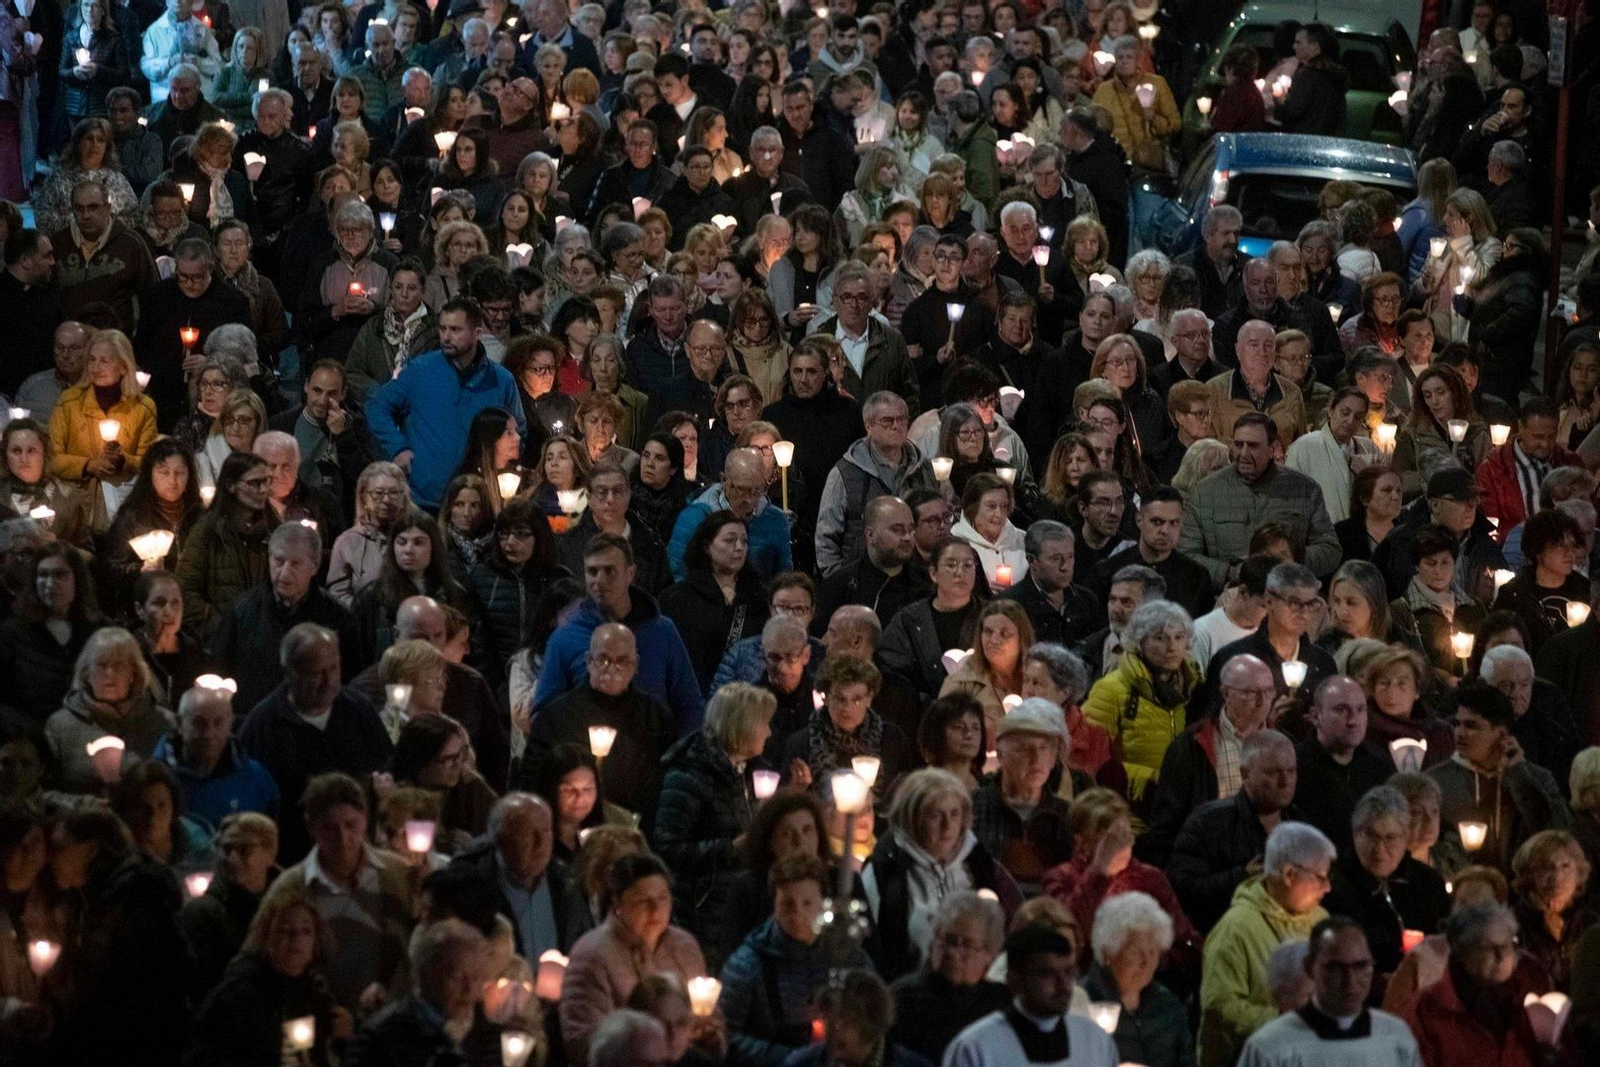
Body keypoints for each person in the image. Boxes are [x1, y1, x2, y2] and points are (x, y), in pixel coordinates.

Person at [46, 805, 192, 1066]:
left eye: (59, 847)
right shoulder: (98, 895)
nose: (50, 857)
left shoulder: (140, 896)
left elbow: (134, 989)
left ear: (90, 850)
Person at [237, 624, 393, 858]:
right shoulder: (262, 727)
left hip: (360, 852)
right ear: (290, 673)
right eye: (316, 673)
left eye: (334, 668)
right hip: (293, 857)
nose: (329, 681)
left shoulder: (358, 710)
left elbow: (386, 767)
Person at [862, 767, 1022, 980]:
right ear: (912, 819)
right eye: (935, 815)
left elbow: (1006, 930)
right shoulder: (885, 871)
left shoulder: (979, 864)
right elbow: (869, 949)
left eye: (954, 814)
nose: (948, 826)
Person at [1197, 821, 1335, 1067]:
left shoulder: (1320, 920)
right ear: (1289, 874)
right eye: (1320, 878)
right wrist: (1287, 1021)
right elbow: (1219, 1008)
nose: (1328, 888)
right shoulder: (1236, 929)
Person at [367, 298, 526, 508]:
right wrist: (398, 447)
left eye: (455, 330)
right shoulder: (420, 370)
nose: (446, 337)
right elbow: (377, 407)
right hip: (422, 500)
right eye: (442, 329)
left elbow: (519, 431)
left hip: (477, 501)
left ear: (476, 333)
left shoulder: (501, 380)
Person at [719, 852, 872, 1066]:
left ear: (823, 903)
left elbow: (872, 1021)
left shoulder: (848, 956)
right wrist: (791, 1058)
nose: (797, 913)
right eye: (787, 904)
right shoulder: (748, 963)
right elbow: (725, 1035)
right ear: (774, 904)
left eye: (807, 903)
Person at [560, 852, 707, 1064]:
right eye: (643, 901)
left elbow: (706, 1015)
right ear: (618, 903)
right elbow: (583, 1040)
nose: (655, 909)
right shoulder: (593, 954)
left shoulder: (683, 946)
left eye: (663, 898)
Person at [184, 882, 345, 1066]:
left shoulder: (314, 995)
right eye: (285, 931)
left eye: (306, 931)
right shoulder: (240, 994)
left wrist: (342, 1037)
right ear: (268, 936)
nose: (297, 939)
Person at [209, 522, 360, 717]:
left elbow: (350, 684)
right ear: (269, 559)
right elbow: (218, 668)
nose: (285, 572)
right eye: (279, 561)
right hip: (252, 722)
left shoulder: (338, 619)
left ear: (314, 566)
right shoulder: (242, 610)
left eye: (295, 563)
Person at [1180, 414, 1339, 589]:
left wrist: (1287, 559)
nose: (1243, 453)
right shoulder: (1205, 492)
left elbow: (1330, 550)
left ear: (1272, 449)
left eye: (1253, 446)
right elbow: (1186, 554)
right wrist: (1229, 572)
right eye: (1238, 445)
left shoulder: (1305, 489)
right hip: (1229, 595)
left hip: (1288, 594)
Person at [1238, 917, 1422, 1066]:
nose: (1350, 981)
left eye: (1360, 966)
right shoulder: (1270, 1047)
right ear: (1310, 968)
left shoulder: (1395, 1036)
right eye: (1335, 968)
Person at [1428, 679, 1570, 873]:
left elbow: (1556, 833)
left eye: (1471, 726)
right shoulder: (1437, 781)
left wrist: (1518, 775)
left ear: (1501, 733)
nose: (1459, 732)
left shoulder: (1538, 777)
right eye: (1457, 724)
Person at [1148, 653, 1275, 857]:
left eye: (1269, 691)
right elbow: (1166, 827)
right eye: (1251, 693)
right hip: (1212, 859)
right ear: (1226, 693)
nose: (1263, 701)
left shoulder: (1283, 744)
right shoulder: (1191, 746)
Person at [942, 924, 1120, 1067]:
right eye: (1046, 974)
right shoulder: (976, 1047)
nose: (1063, 984)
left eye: (1068, 972)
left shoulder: (1095, 1041)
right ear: (1014, 981)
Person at [446, 792, 595, 962]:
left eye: (546, 830)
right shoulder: (470, 890)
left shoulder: (567, 883)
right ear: (499, 839)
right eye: (527, 834)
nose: (541, 843)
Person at [1082, 599, 1200, 812]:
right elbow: (1090, 758)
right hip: (1128, 812)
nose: (1172, 647)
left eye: (1179, 637)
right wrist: (1152, 782)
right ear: (1139, 642)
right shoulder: (1111, 690)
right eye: (1160, 638)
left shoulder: (1195, 688)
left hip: (1181, 812)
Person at [1323, 786, 1452, 979]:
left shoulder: (1428, 882)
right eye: (1371, 836)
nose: (1379, 849)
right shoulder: (1334, 885)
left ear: (1405, 837)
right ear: (1355, 833)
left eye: (1390, 838)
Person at [1407, 903, 1558, 1067]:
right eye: (1487, 947)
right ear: (1462, 951)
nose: (1500, 956)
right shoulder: (1430, 1010)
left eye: (1506, 944)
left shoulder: (1530, 988)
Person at [815, 390, 935, 577]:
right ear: (868, 426)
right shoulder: (845, 473)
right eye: (887, 421)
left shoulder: (924, 468)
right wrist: (839, 582)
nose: (896, 426)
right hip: (861, 579)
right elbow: (826, 538)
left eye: (902, 419)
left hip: (915, 577)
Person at [45, 626, 175, 795]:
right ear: (87, 673)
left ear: (134, 673)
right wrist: (82, 805)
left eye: (118, 665)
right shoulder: (60, 726)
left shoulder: (163, 723)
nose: (110, 673)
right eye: (101, 665)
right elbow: (44, 792)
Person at [888, 891, 1011, 1063]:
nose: (953, 953)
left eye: (966, 944)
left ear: (988, 954)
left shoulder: (1001, 1005)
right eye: (948, 940)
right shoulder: (902, 999)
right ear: (933, 943)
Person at [969, 699, 1076, 894]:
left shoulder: (1068, 817)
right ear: (1000, 754)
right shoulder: (971, 808)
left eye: (1044, 748)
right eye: (1024, 748)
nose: (1036, 759)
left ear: (1054, 758)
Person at [1081, 891, 1194, 1067]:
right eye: (1136, 952)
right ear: (1108, 951)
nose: (1146, 962)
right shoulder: (1079, 1002)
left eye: (1153, 952)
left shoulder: (1167, 1004)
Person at [153, 682, 280, 833]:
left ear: (230, 723)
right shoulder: (156, 779)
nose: (208, 734)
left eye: (218, 723)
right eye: (198, 723)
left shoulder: (256, 779)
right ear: (180, 723)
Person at [1294, 676, 1399, 856]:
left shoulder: (1380, 765)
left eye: (1360, 709)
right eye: (1341, 710)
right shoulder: (1294, 768)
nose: (1353, 720)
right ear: (1315, 716)